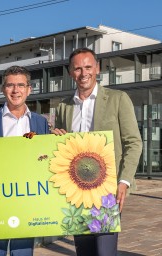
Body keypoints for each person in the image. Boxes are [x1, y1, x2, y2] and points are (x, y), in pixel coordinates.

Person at [53, 48, 142, 256]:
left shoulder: (118, 99)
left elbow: (134, 142)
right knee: (84, 252)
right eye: (77, 68)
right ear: (70, 73)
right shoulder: (64, 107)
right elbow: (62, 149)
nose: (83, 73)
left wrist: (124, 181)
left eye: (88, 67)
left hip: (108, 191)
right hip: (77, 192)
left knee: (105, 252)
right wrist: (57, 138)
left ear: (97, 68)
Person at [0, 65, 49, 256]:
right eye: (10, 85)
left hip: (27, 202)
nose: (16, 91)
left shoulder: (40, 123)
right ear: (2, 89)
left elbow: (45, 162)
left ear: (29, 89)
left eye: (21, 85)